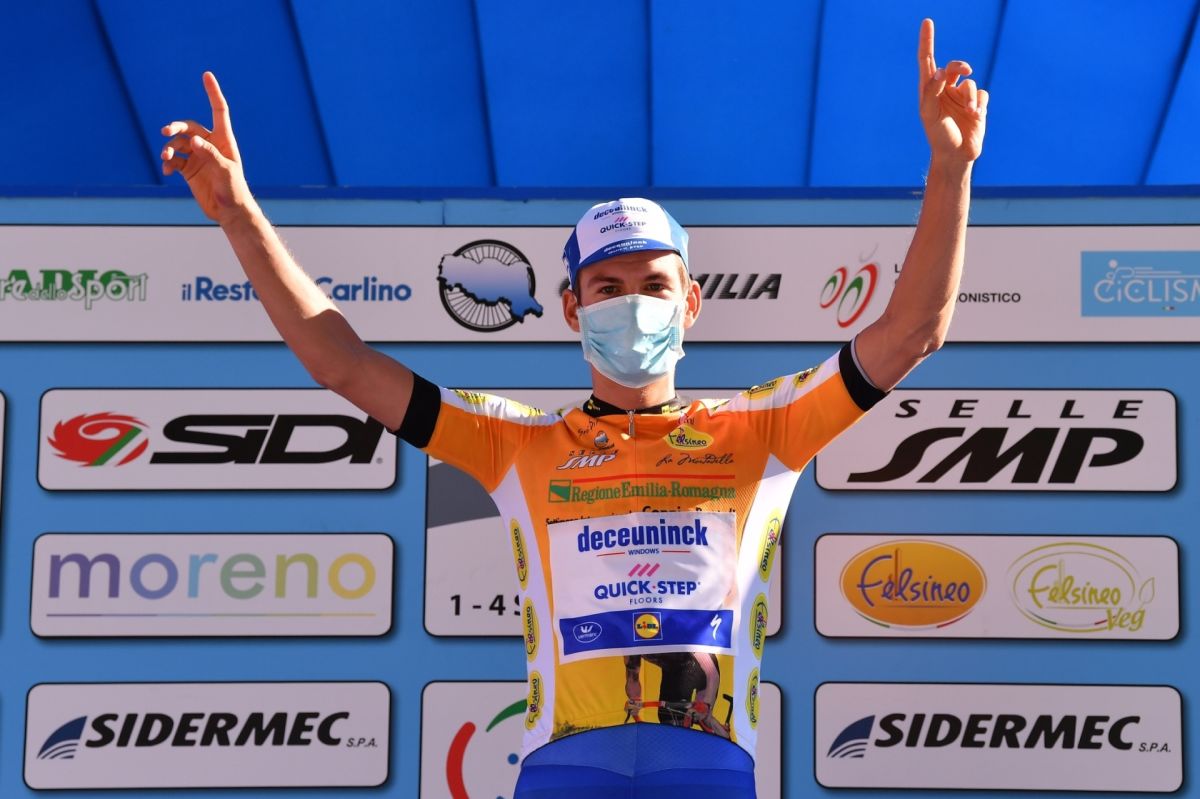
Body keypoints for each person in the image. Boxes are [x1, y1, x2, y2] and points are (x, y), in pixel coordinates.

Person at [161, 18, 985, 799]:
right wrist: (239, 214)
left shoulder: (764, 427)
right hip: (565, 769)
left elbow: (913, 331)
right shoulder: (517, 442)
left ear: (691, 303)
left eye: (654, 285)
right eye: (609, 287)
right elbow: (342, 365)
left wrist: (950, 172)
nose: (634, 303)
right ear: (571, 307)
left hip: (708, 766)